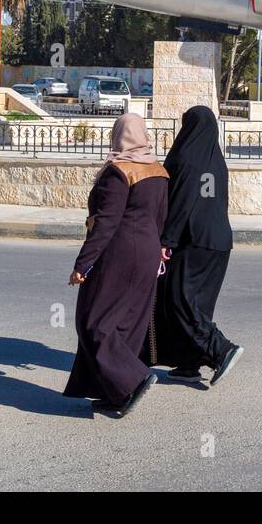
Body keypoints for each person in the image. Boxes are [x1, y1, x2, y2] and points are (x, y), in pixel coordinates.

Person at [63, 113, 169, 417]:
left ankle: (132, 378)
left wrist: (82, 264)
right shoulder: (158, 170)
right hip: (148, 252)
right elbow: (162, 216)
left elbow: (106, 223)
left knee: (93, 320)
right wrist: (160, 247)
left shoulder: (118, 171)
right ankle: (114, 393)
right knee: (125, 323)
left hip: (120, 253)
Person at [145, 105, 244, 387]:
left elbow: (182, 202)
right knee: (198, 304)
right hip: (219, 242)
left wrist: (167, 240)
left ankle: (221, 349)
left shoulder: (188, 158)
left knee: (179, 300)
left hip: (194, 241)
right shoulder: (215, 160)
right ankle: (189, 362)